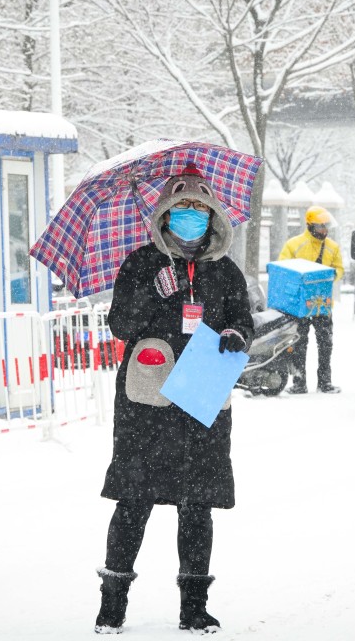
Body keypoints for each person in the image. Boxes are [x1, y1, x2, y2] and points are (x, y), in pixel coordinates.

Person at [94, 163, 253, 635]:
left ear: (212, 215)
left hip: (201, 403)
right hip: (148, 406)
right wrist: (150, 294)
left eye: (199, 209)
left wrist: (234, 335)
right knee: (132, 503)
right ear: (164, 214)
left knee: (196, 506)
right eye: (181, 208)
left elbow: (244, 321)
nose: (190, 216)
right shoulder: (142, 263)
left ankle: (194, 607)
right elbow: (120, 324)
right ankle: (112, 604)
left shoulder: (224, 271)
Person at [278, 206, 344, 395]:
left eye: (326, 226)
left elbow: (339, 269)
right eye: (320, 226)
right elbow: (284, 268)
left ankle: (325, 382)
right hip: (300, 305)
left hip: (323, 304)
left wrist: (329, 276)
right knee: (299, 342)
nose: (324, 230)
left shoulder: (333, 247)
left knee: (325, 343)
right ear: (310, 226)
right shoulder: (294, 245)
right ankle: (299, 383)